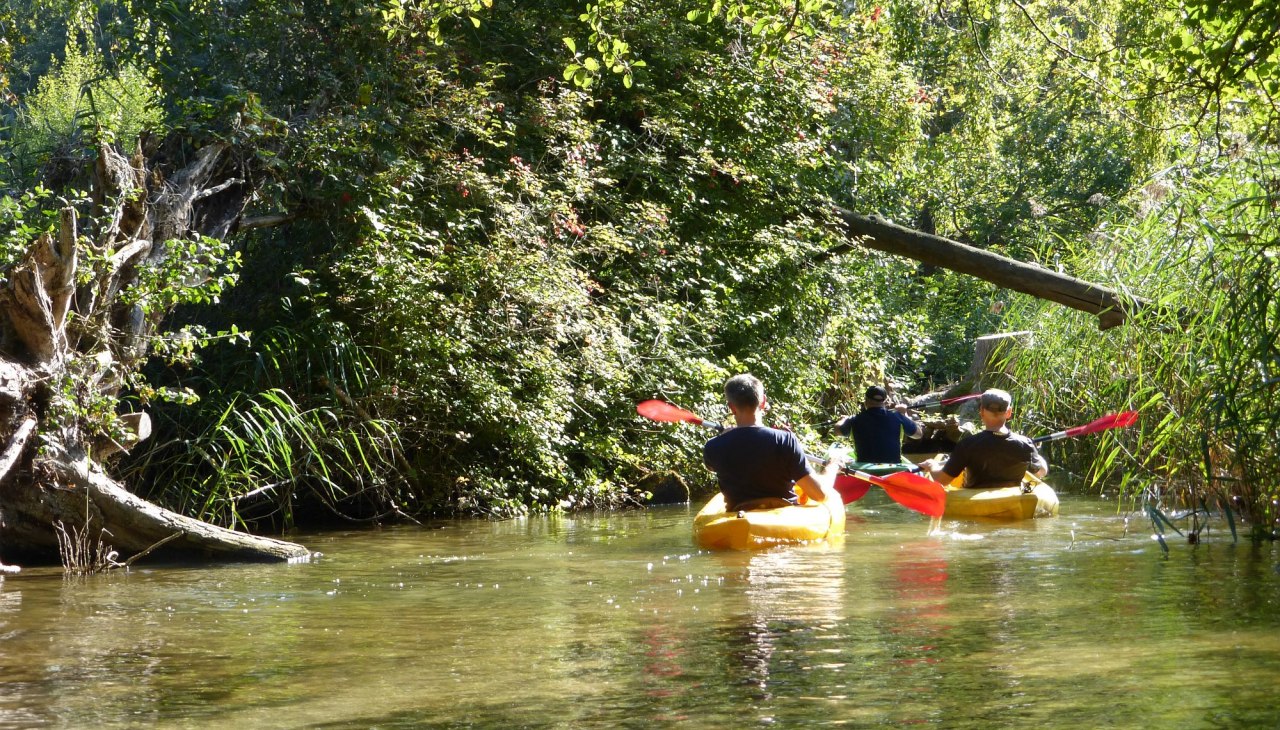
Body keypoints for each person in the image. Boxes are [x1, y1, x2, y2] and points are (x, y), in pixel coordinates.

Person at [703, 374, 841, 511]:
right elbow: (820, 495)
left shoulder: (713, 446)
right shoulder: (786, 440)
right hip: (784, 518)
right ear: (763, 401)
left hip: (738, 516)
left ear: (731, 407)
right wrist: (832, 467)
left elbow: (712, 466)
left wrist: (726, 436)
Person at [921, 388, 1048, 489]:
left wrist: (932, 466)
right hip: (1011, 501)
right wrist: (1035, 452)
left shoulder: (966, 445)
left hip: (976, 503)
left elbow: (942, 481)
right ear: (1009, 412)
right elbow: (1041, 472)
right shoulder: (1026, 444)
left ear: (981, 411)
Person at [834, 385, 924, 464]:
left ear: (866, 401)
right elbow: (918, 435)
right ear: (885, 402)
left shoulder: (854, 419)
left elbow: (837, 431)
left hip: (864, 471)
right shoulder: (898, 417)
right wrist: (905, 414)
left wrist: (843, 420)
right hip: (893, 468)